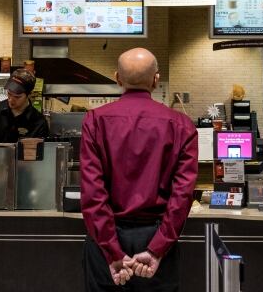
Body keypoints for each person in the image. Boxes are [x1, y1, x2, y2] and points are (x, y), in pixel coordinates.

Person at [81, 48, 198, 290]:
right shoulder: (182, 125)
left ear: (117, 78)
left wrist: (112, 251)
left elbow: (93, 193)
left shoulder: (95, 120)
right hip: (155, 235)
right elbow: (182, 195)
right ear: (156, 79)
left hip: (107, 237)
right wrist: (157, 249)